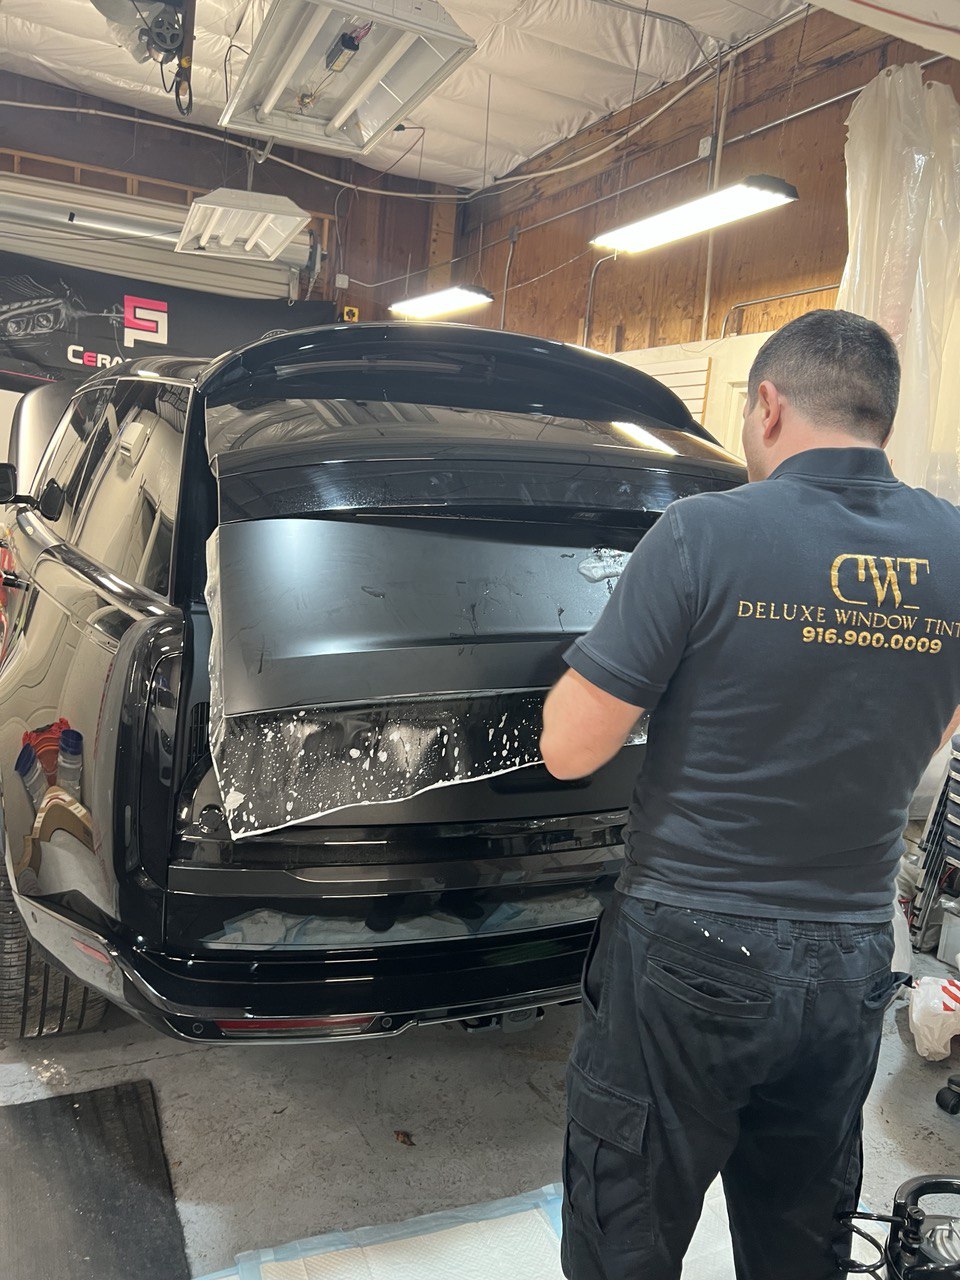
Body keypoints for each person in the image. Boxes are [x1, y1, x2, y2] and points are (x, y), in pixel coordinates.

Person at [539, 309, 960, 1280]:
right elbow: (938, 728)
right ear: (880, 416)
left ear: (768, 405)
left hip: (687, 950)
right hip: (851, 957)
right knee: (799, 1233)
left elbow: (569, 748)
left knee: (626, 1227)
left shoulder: (703, 533)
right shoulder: (953, 546)